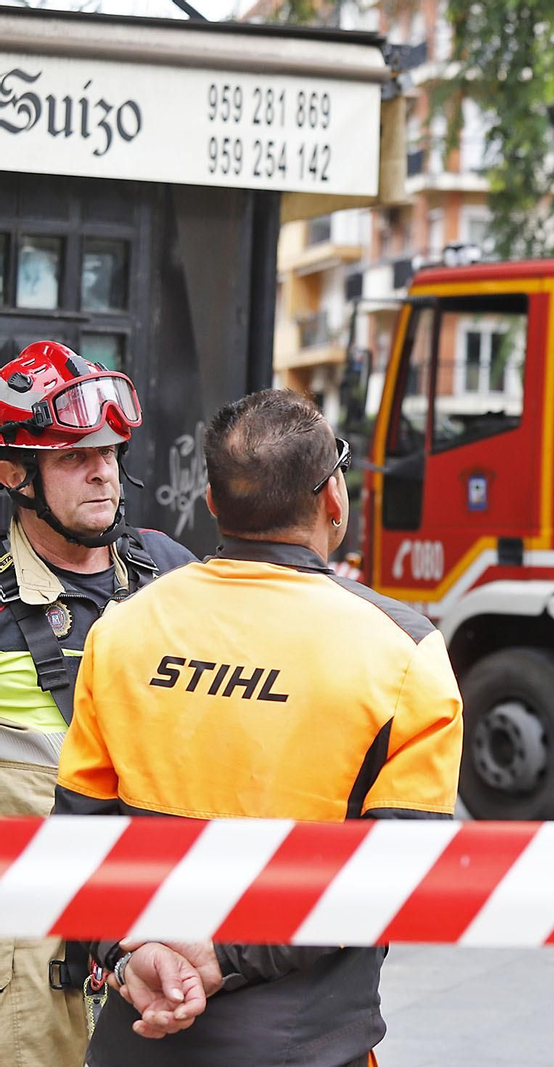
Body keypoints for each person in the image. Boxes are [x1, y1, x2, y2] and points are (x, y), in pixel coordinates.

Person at [53, 388, 464, 1067]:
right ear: (335, 497)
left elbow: (75, 848)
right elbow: (396, 874)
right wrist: (221, 955)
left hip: (136, 1037)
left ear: (212, 503)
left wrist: (130, 957)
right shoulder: (403, 651)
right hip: (305, 1047)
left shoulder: (121, 632)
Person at [0, 340, 194, 1067]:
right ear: (13, 473)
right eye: (74, 457)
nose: (103, 471)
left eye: (110, 451)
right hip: (28, 961)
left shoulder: (171, 572)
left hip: (163, 933)